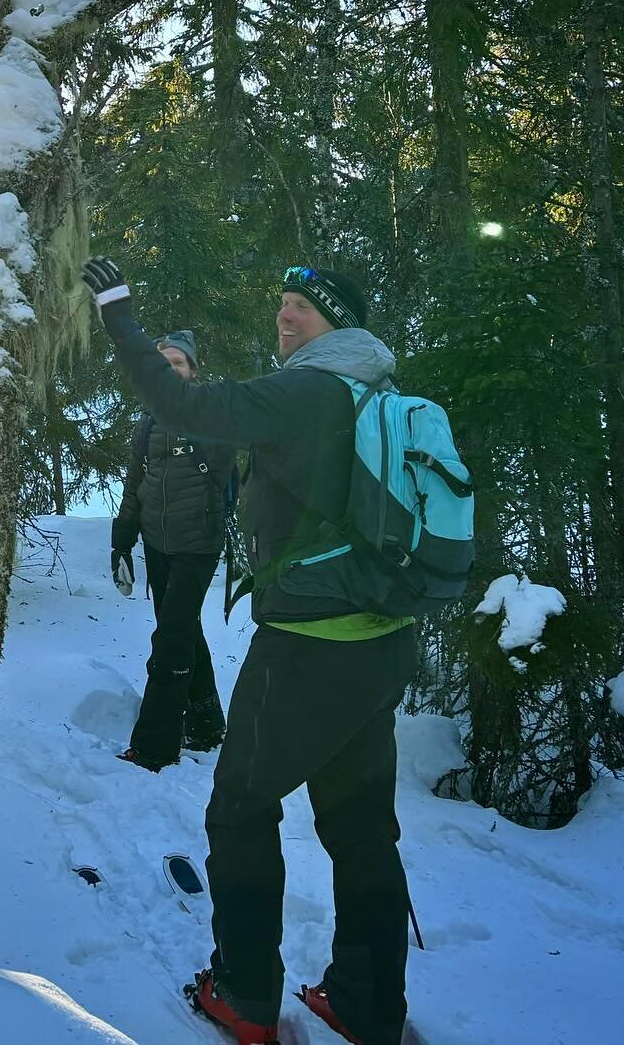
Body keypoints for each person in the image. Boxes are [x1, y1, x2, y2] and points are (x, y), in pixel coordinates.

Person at [82, 255, 416, 1045]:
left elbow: (181, 402)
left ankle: (244, 995)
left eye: (304, 307)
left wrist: (120, 318)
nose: (285, 317)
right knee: (363, 828)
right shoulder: (381, 392)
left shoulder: (312, 389)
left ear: (340, 325)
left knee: (239, 809)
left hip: (307, 648)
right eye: (283, 303)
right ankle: (367, 1003)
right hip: (379, 646)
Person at [111, 328, 228, 768]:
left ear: (192, 371)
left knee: (171, 638)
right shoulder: (147, 423)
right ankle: (206, 723)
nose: (169, 372)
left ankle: (155, 745)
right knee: (182, 629)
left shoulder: (209, 415)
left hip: (197, 544)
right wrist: (122, 536)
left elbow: (224, 463)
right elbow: (135, 485)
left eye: (177, 364)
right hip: (158, 543)